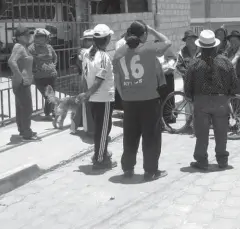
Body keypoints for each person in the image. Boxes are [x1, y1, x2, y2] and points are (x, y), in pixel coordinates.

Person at [113, 20, 171, 181]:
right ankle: (150, 171)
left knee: (130, 136)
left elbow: (117, 79)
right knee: (151, 136)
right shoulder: (149, 49)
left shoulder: (118, 53)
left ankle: (128, 169)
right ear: (143, 34)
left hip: (129, 102)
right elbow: (168, 42)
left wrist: (123, 96)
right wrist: (152, 30)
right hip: (149, 100)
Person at [184, 30, 238, 170]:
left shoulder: (194, 64)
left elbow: (188, 86)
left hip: (201, 102)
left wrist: (191, 98)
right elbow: (234, 84)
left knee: (202, 134)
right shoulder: (225, 62)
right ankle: (222, 161)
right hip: (221, 101)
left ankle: (201, 161)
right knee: (221, 132)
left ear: (200, 46)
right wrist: (227, 96)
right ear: (215, 46)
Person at [77, 24, 116, 170]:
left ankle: (101, 153)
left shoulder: (86, 53)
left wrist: (86, 94)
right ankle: (100, 160)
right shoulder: (104, 57)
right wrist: (87, 94)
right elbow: (99, 79)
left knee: (101, 129)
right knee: (103, 130)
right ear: (107, 40)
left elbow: (84, 75)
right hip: (103, 98)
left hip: (93, 98)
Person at [8, 27, 38, 141]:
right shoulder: (19, 47)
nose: (29, 37)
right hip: (21, 83)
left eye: (30, 35)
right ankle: (27, 133)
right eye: (26, 35)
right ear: (19, 37)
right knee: (27, 108)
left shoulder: (24, 47)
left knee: (21, 108)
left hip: (23, 82)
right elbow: (11, 61)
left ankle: (23, 130)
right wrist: (20, 76)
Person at [28, 28, 58, 121]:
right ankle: (50, 112)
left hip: (51, 75)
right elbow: (29, 60)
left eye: (42, 37)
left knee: (51, 94)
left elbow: (55, 57)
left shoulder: (49, 47)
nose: (40, 39)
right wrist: (34, 69)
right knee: (48, 95)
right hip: (39, 77)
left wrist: (53, 65)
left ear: (46, 38)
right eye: (37, 36)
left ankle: (51, 112)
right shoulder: (31, 48)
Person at [176, 30, 200, 133]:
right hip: (187, 80)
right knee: (188, 102)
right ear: (185, 41)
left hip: (200, 80)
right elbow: (179, 66)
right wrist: (188, 74)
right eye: (188, 39)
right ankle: (188, 124)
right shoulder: (182, 52)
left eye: (193, 39)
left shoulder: (201, 51)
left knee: (199, 102)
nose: (191, 41)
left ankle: (198, 124)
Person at [72, 29, 95, 135]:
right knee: (85, 103)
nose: (91, 42)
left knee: (83, 103)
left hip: (90, 79)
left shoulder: (93, 51)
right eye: (89, 40)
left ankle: (75, 125)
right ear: (84, 41)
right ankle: (88, 128)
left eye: (93, 40)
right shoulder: (83, 51)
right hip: (85, 80)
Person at [156, 41, 177, 123]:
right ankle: (161, 118)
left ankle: (169, 117)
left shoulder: (167, 49)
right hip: (159, 76)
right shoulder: (153, 50)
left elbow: (173, 59)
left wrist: (170, 66)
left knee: (169, 96)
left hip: (167, 75)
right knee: (160, 97)